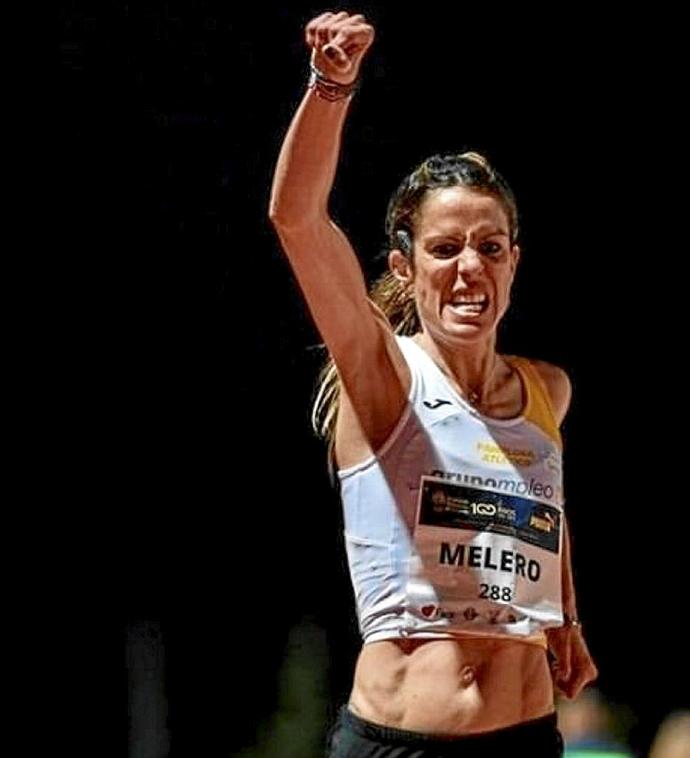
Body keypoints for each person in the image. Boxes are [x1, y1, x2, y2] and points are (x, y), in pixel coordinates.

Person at [269, 10, 598, 757]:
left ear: (514, 259)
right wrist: (331, 84)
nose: (469, 267)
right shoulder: (383, 372)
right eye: (444, 249)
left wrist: (567, 619)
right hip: (402, 740)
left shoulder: (549, 389)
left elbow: (542, 509)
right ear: (404, 268)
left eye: (489, 246)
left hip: (526, 735)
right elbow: (295, 219)